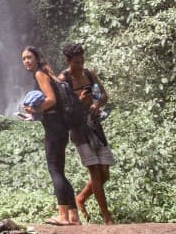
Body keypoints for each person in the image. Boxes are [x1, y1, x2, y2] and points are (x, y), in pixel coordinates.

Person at [21, 46, 81, 226]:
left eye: (29, 57)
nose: (26, 61)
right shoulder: (48, 72)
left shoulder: (40, 74)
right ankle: (74, 217)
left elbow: (51, 100)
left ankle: (62, 215)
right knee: (59, 171)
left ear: (38, 58)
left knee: (54, 169)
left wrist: (35, 109)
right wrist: (35, 114)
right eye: (23, 59)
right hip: (60, 125)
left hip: (55, 127)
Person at [59, 43, 115, 224]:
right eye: (76, 62)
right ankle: (107, 217)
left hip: (95, 126)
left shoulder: (89, 74)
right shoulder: (64, 80)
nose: (80, 66)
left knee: (105, 173)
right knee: (95, 173)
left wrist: (96, 105)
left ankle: (81, 198)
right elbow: (64, 110)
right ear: (68, 61)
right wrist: (79, 101)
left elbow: (102, 95)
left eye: (82, 61)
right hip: (78, 130)